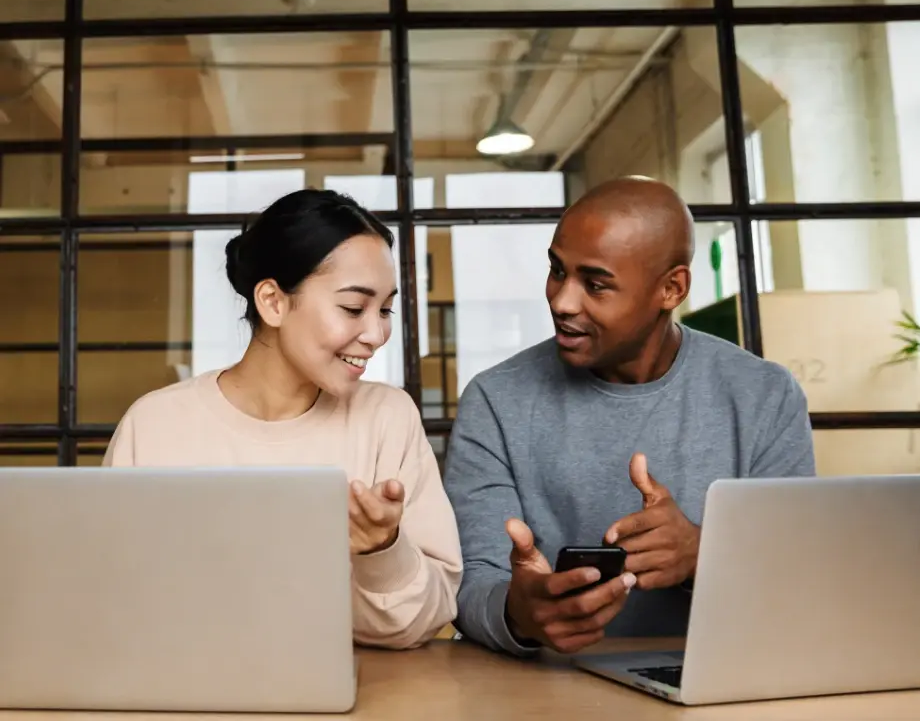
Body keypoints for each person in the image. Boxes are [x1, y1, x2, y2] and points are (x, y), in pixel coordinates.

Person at [443, 176, 815, 657]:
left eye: (595, 285)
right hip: (547, 698)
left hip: (722, 679)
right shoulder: (495, 400)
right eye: (557, 270)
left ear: (671, 288)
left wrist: (705, 554)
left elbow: (797, 580)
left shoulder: (764, 396)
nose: (562, 301)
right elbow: (471, 582)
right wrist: (519, 613)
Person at [104, 188, 462, 651]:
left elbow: (424, 624)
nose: (376, 334)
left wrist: (382, 549)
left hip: (360, 707)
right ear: (273, 301)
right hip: (183, 700)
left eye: (386, 309)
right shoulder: (154, 426)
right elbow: (112, 604)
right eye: (354, 308)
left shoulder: (387, 418)